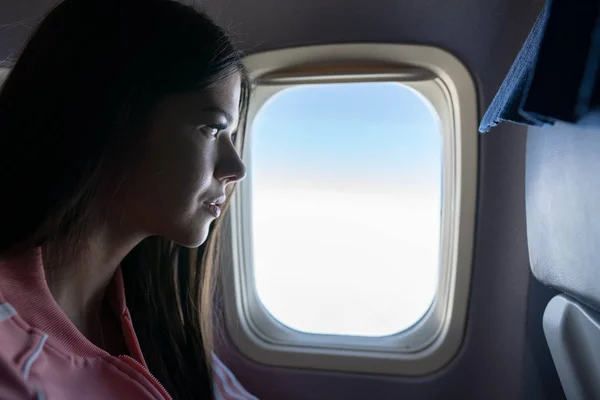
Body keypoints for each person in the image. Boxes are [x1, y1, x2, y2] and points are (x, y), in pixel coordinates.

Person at [0, 0, 257, 399]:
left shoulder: (155, 326)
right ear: (111, 118)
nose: (236, 168)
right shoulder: (12, 359)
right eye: (211, 128)